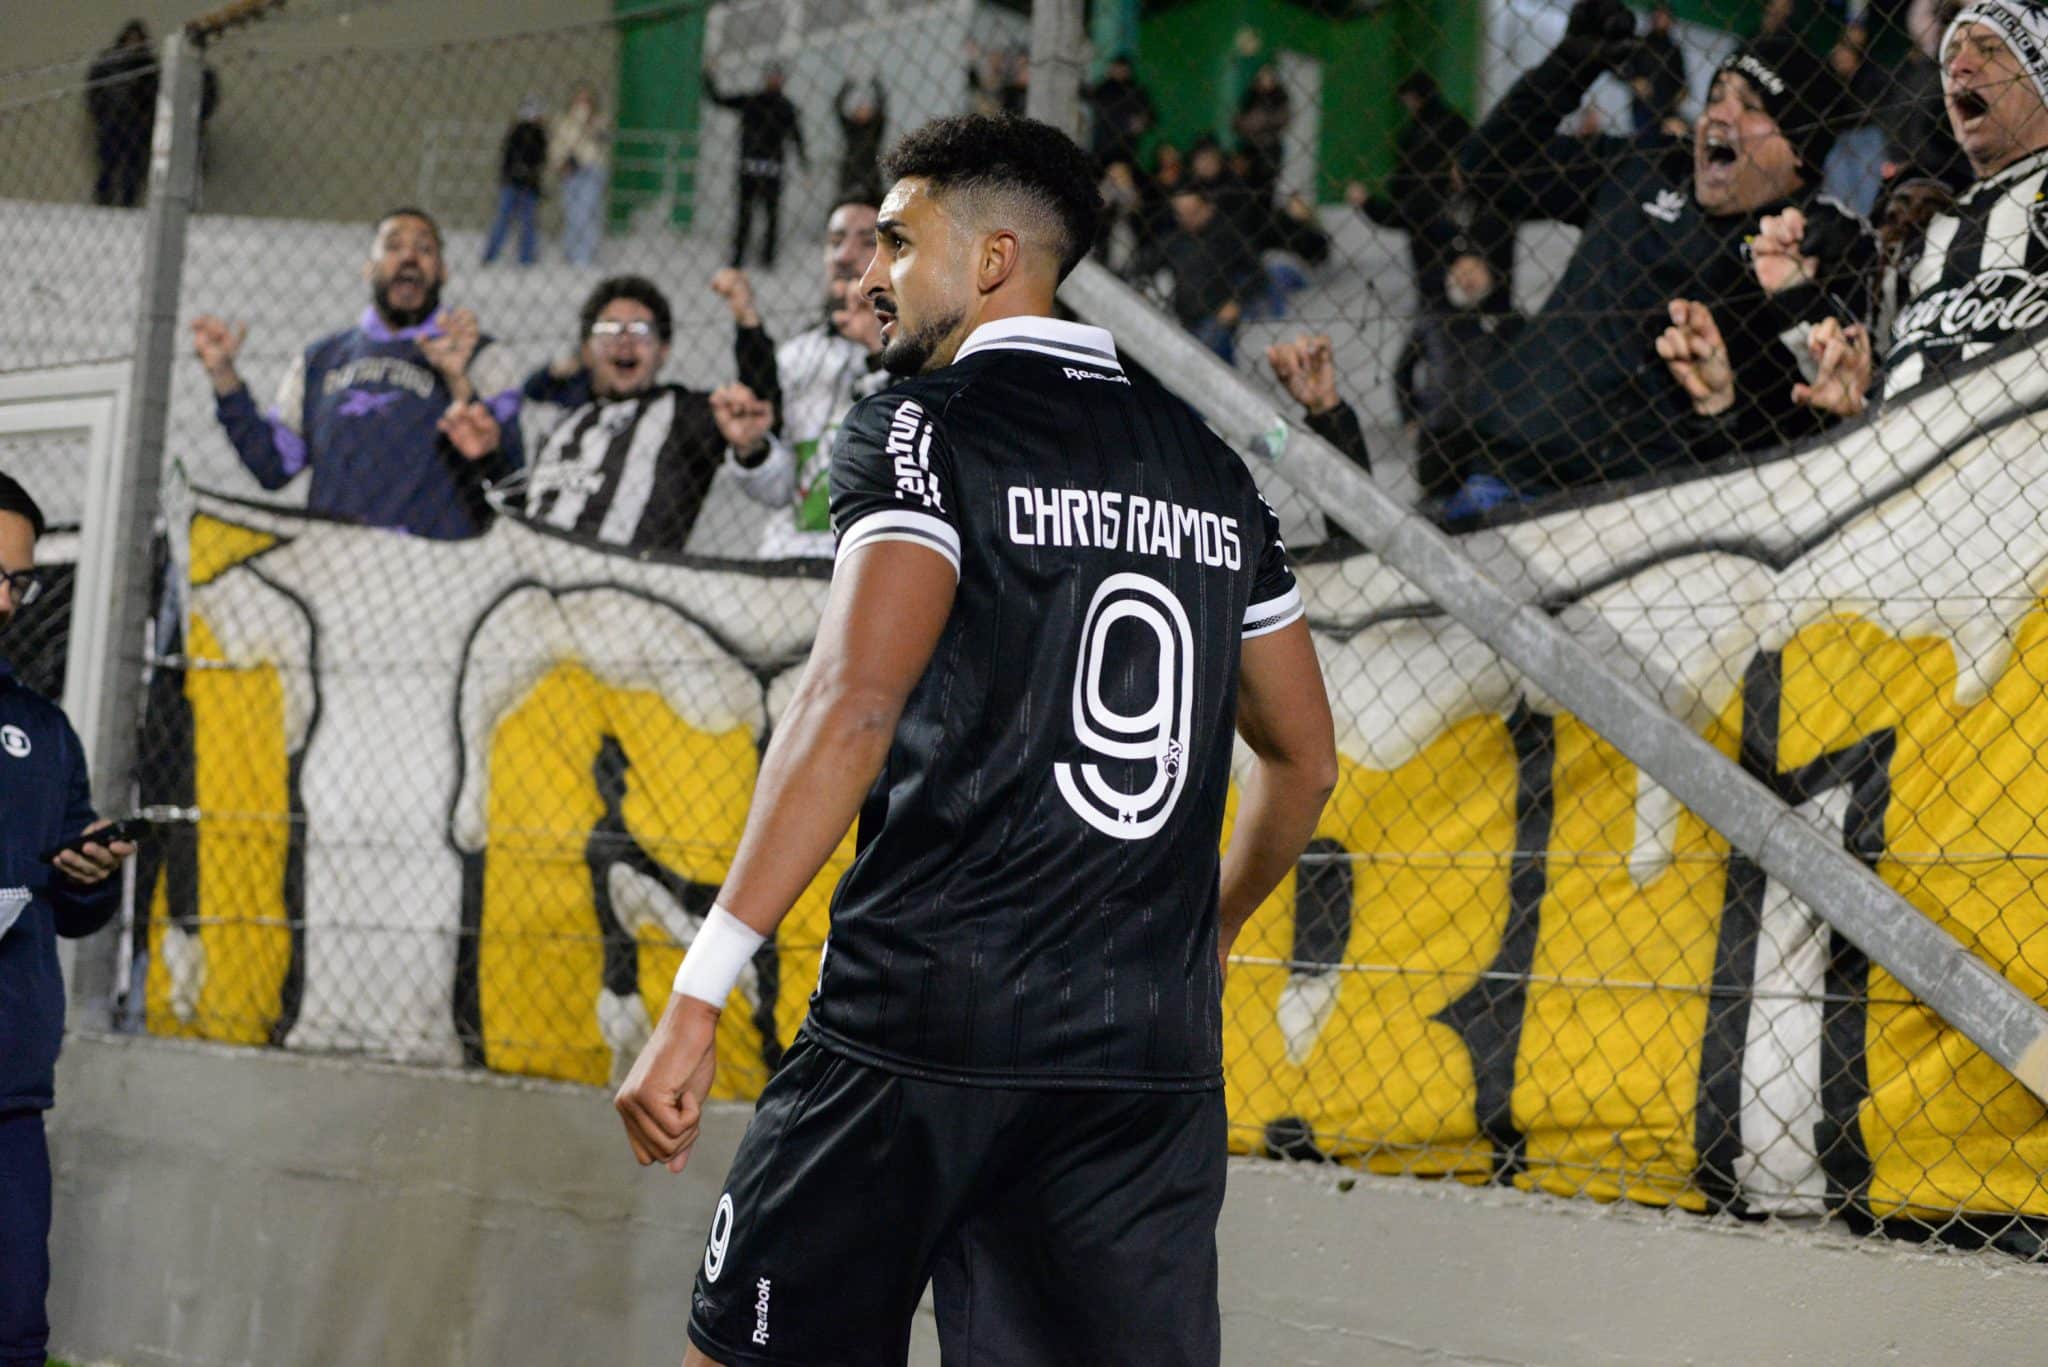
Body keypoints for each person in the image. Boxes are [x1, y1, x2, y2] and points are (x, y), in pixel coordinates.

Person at [614, 112, 1337, 1367]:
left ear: (994, 258)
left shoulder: (920, 426)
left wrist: (700, 985)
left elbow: (851, 703)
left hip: (920, 1020)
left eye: (898, 242)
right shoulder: (1211, 467)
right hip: (1138, 1045)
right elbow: (1305, 760)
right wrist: (1209, 928)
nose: (870, 274)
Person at [1449, 8, 1871, 517]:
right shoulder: (1652, 164)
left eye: (1752, 106)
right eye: (1716, 96)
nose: (1720, 115)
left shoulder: (1812, 244)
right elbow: (1486, 170)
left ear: (1799, 151)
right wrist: (1568, 67)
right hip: (1514, 471)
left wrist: (1797, 296)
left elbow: (1814, 420)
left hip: (1652, 510)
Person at [1747, 0, 2048, 415]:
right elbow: (1868, 373)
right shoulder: (1931, 229)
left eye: (1989, 49)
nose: (1959, 65)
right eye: (1951, 52)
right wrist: (1796, 293)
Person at [0, 473, 138, 1367]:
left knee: (15, 1335)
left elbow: (76, 909)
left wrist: (89, 873)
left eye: (17, 580)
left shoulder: (40, 728)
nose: (5, 600)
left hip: (7, 1096)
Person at [190, 208, 526, 540]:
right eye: (393, 246)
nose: (409, 256)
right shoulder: (319, 360)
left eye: (424, 249)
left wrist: (459, 383)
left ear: (443, 271)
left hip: (437, 562)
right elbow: (273, 467)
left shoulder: (484, 357)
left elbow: (514, 490)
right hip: (334, 561)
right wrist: (224, 377)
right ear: (369, 268)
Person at [450, 276, 776, 552]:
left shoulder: (684, 414)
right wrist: (487, 460)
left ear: (663, 351)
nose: (624, 340)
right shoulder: (564, 424)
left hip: (621, 593)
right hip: (535, 580)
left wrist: (746, 319)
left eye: (640, 330)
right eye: (609, 329)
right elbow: (526, 513)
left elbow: (757, 406)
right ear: (587, 351)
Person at [722, 198, 888, 559]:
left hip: (873, 566)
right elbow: (780, 490)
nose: (844, 255)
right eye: (835, 241)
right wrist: (753, 449)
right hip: (786, 557)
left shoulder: (927, 355)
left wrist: (879, 351)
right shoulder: (797, 355)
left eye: (867, 242)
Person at [1349, 70, 1476, 307]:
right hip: (1436, 213)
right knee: (1443, 279)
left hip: (1438, 213)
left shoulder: (1434, 129)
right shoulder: (1426, 129)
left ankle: (1438, 312)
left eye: (1410, 98)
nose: (1409, 104)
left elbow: (1403, 186)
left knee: (1442, 278)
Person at [1131, 184, 1264, 363]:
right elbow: (1141, 266)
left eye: (1192, 212)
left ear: (1208, 208)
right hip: (1182, 318)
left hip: (1217, 315)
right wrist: (1142, 290)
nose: (1186, 218)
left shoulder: (1227, 235)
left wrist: (1236, 302)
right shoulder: (1174, 240)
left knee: (1206, 350)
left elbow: (1257, 274)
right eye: (1180, 214)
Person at [703, 65, 807, 269]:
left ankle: (768, 259)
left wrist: (804, 162)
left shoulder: (786, 107)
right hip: (749, 168)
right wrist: (708, 77)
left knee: (771, 216)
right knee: (745, 214)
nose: (773, 81)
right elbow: (718, 99)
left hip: (772, 169)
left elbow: (797, 137)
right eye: (771, 76)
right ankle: (739, 256)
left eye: (777, 77)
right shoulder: (753, 101)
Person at [86, 21, 155, 208]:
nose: (133, 43)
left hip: (136, 123)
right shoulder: (109, 63)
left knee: (132, 166)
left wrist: (146, 116)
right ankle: (104, 201)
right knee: (108, 164)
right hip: (111, 120)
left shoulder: (148, 65)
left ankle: (128, 203)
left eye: (137, 39)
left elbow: (153, 94)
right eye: (131, 39)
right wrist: (100, 113)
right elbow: (94, 90)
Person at [483, 96, 549, 267]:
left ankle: (526, 258)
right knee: (503, 219)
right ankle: (490, 256)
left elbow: (540, 160)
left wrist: (529, 173)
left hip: (529, 184)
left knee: (528, 222)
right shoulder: (516, 133)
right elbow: (507, 159)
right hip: (512, 183)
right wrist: (513, 173)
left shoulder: (540, 135)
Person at [552, 83, 610, 268]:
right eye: (579, 99)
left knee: (587, 213)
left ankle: (584, 256)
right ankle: (572, 253)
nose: (582, 104)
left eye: (586, 100)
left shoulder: (598, 122)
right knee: (573, 214)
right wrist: (560, 163)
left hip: (592, 169)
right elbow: (558, 146)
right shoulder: (564, 122)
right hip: (571, 171)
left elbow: (600, 143)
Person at [1085, 54, 1156, 173]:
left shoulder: (1137, 91)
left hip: (1126, 146)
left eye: (1121, 68)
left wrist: (1143, 122)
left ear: (1128, 70)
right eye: (1115, 68)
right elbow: (1085, 94)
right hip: (1102, 145)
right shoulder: (1104, 87)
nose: (1118, 71)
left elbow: (1153, 118)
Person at [1628, 4, 1691, 135]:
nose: (1662, 19)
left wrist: (1683, 91)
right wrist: (1634, 80)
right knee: (1645, 139)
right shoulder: (1640, 43)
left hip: (1668, 108)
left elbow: (1682, 79)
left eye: (1666, 16)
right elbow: (1625, 68)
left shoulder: (1674, 51)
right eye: (1659, 15)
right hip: (1643, 105)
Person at [1234, 62, 1292, 192]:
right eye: (1262, 77)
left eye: (1268, 77)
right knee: (1247, 183)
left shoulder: (1280, 97)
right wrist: (1255, 120)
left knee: (1268, 184)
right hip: (1250, 147)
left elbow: (1283, 119)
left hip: (1270, 147)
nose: (1265, 81)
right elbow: (1238, 122)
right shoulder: (1250, 97)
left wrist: (1259, 119)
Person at [835, 78, 887, 204]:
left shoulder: (874, 129)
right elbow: (837, 106)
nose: (863, 111)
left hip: (871, 170)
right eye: (859, 109)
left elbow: (882, 106)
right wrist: (847, 86)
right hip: (851, 171)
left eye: (866, 108)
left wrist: (875, 84)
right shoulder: (851, 129)